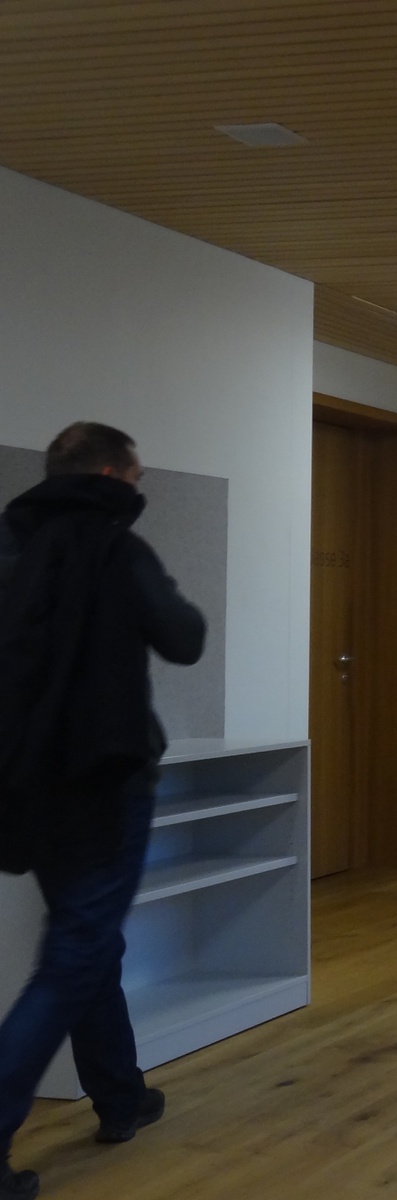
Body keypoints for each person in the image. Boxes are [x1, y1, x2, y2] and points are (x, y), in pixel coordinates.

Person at [0, 422, 207, 1199]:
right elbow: (184, 637)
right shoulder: (116, 547)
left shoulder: (9, 543)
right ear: (115, 475)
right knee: (72, 957)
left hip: (25, 783)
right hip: (107, 780)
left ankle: (121, 1094)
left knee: (88, 944)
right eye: (139, 477)